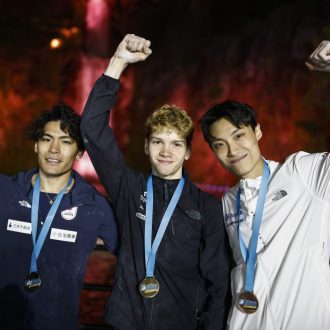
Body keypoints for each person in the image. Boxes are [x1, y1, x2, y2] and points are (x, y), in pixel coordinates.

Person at [80, 34, 231, 330]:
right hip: (125, 322)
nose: (166, 151)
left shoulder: (207, 208)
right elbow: (92, 129)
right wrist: (118, 62)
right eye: (158, 142)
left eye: (176, 144)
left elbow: (219, 284)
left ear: (187, 152)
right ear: (147, 146)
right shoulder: (128, 186)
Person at [199, 40, 330, 330]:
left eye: (238, 135)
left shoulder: (303, 174)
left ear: (257, 131)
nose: (233, 150)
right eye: (220, 144)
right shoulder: (227, 202)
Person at [0, 104, 118, 330]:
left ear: (80, 153)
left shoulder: (94, 206)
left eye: (65, 142)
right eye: (47, 139)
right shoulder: (5, 191)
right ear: (36, 145)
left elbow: (133, 257)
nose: (54, 149)